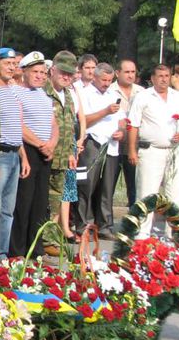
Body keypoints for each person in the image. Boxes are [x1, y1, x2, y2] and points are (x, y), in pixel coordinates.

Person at [127, 65, 179, 238]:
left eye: (166, 75)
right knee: (146, 194)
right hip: (151, 150)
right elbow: (133, 125)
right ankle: (141, 236)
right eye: (160, 76)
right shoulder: (142, 97)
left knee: (176, 194)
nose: (163, 79)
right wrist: (132, 151)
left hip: (175, 150)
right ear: (153, 78)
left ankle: (174, 237)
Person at [9, 52, 57, 258]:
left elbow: (54, 124)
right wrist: (39, 144)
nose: (39, 76)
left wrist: (52, 144)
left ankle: (35, 248)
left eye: (43, 72)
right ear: (24, 72)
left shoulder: (45, 95)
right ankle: (18, 249)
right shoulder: (15, 92)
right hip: (28, 151)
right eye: (35, 72)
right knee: (23, 202)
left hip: (46, 153)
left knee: (40, 203)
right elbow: (18, 125)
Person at [0, 47, 30, 260]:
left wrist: (23, 156)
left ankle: (2, 253)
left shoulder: (13, 91)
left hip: (14, 154)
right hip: (0, 154)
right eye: (7, 63)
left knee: (7, 210)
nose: (11, 67)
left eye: (14, 64)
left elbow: (16, 126)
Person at [78, 63, 125, 239]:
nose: (106, 83)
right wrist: (105, 111)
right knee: (87, 187)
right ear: (95, 77)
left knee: (107, 188)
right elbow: (84, 120)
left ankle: (105, 225)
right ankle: (84, 224)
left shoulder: (114, 94)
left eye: (109, 80)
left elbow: (122, 119)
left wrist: (122, 131)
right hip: (92, 142)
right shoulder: (84, 94)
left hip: (111, 145)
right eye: (103, 80)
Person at [44, 51, 78, 253]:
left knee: (56, 200)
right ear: (53, 70)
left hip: (63, 156)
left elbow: (69, 126)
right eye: (63, 73)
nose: (66, 77)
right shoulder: (43, 92)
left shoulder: (67, 95)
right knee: (43, 201)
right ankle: (41, 239)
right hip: (46, 155)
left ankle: (49, 238)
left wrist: (70, 153)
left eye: (70, 74)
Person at [109, 59, 143, 206]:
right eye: (127, 72)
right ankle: (105, 221)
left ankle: (134, 218)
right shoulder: (109, 91)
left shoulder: (142, 92)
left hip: (134, 146)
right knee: (108, 186)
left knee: (135, 186)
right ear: (117, 73)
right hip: (114, 145)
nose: (130, 75)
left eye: (133, 72)